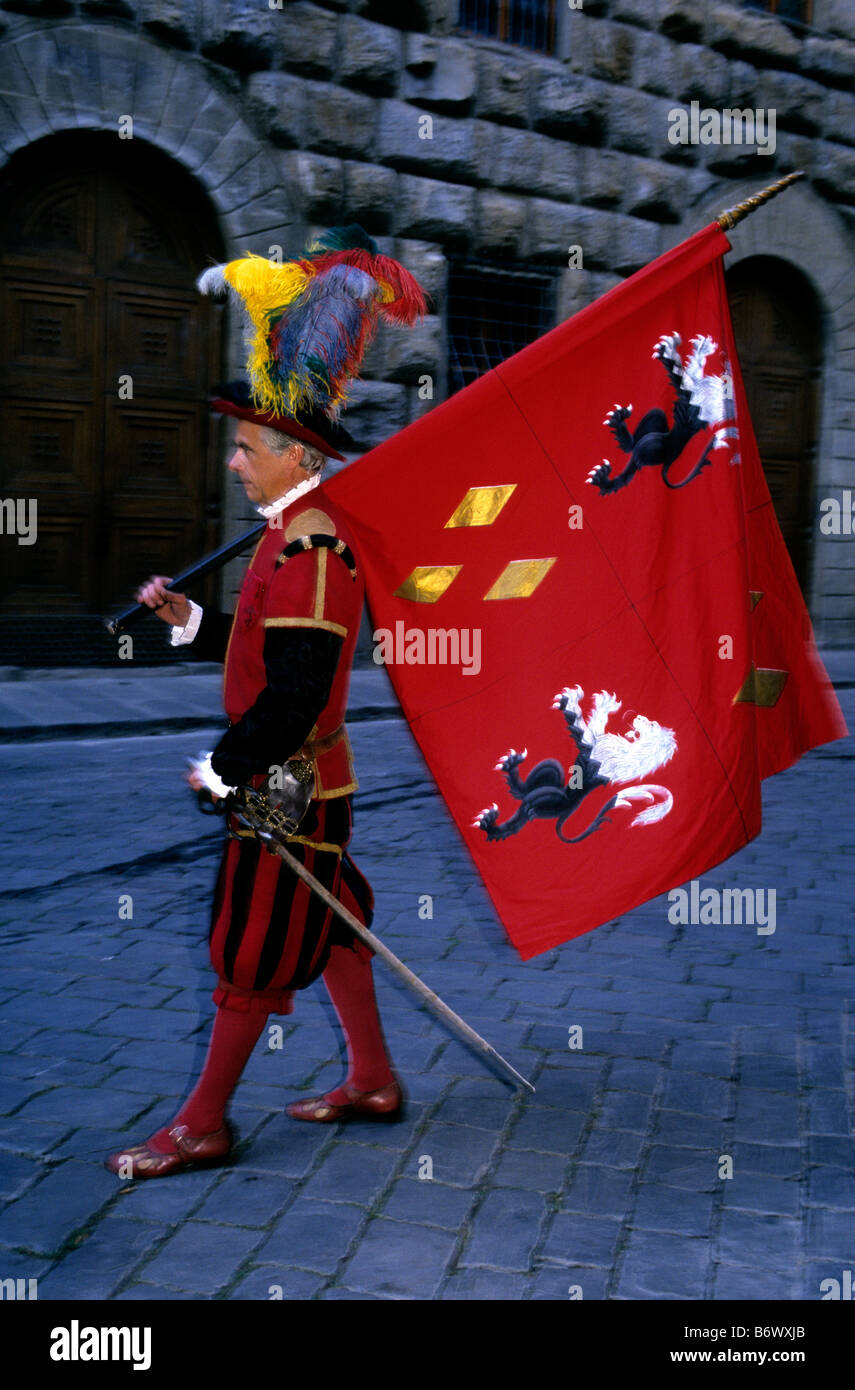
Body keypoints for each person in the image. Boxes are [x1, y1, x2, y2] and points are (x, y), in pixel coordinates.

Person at [105, 384, 402, 1180]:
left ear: (297, 458)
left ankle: (203, 1126)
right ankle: (372, 1081)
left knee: (252, 945)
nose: (234, 460)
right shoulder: (286, 535)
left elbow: (296, 693)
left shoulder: (312, 550)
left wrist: (222, 768)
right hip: (299, 777)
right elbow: (266, 650)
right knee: (335, 920)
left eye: (248, 448)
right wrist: (190, 622)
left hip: (289, 783)